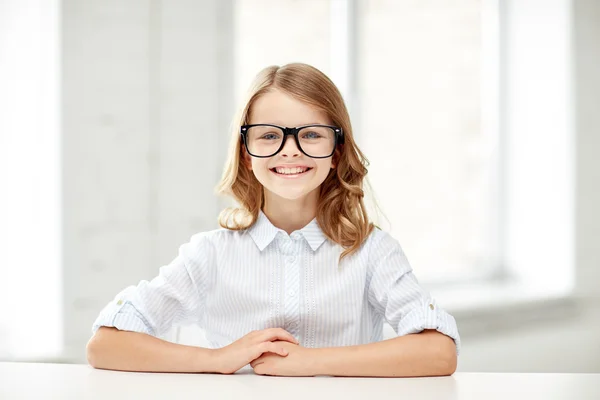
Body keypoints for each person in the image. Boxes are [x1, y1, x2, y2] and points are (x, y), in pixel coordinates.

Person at [86, 63, 460, 377]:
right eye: (269, 135)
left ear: (337, 151)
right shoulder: (210, 253)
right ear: (246, 153)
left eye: (312, 134)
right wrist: (217, 360)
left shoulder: (372, 251)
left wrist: (309, 362)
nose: (290, 150)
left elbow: (440, 352)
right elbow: (105, 345)